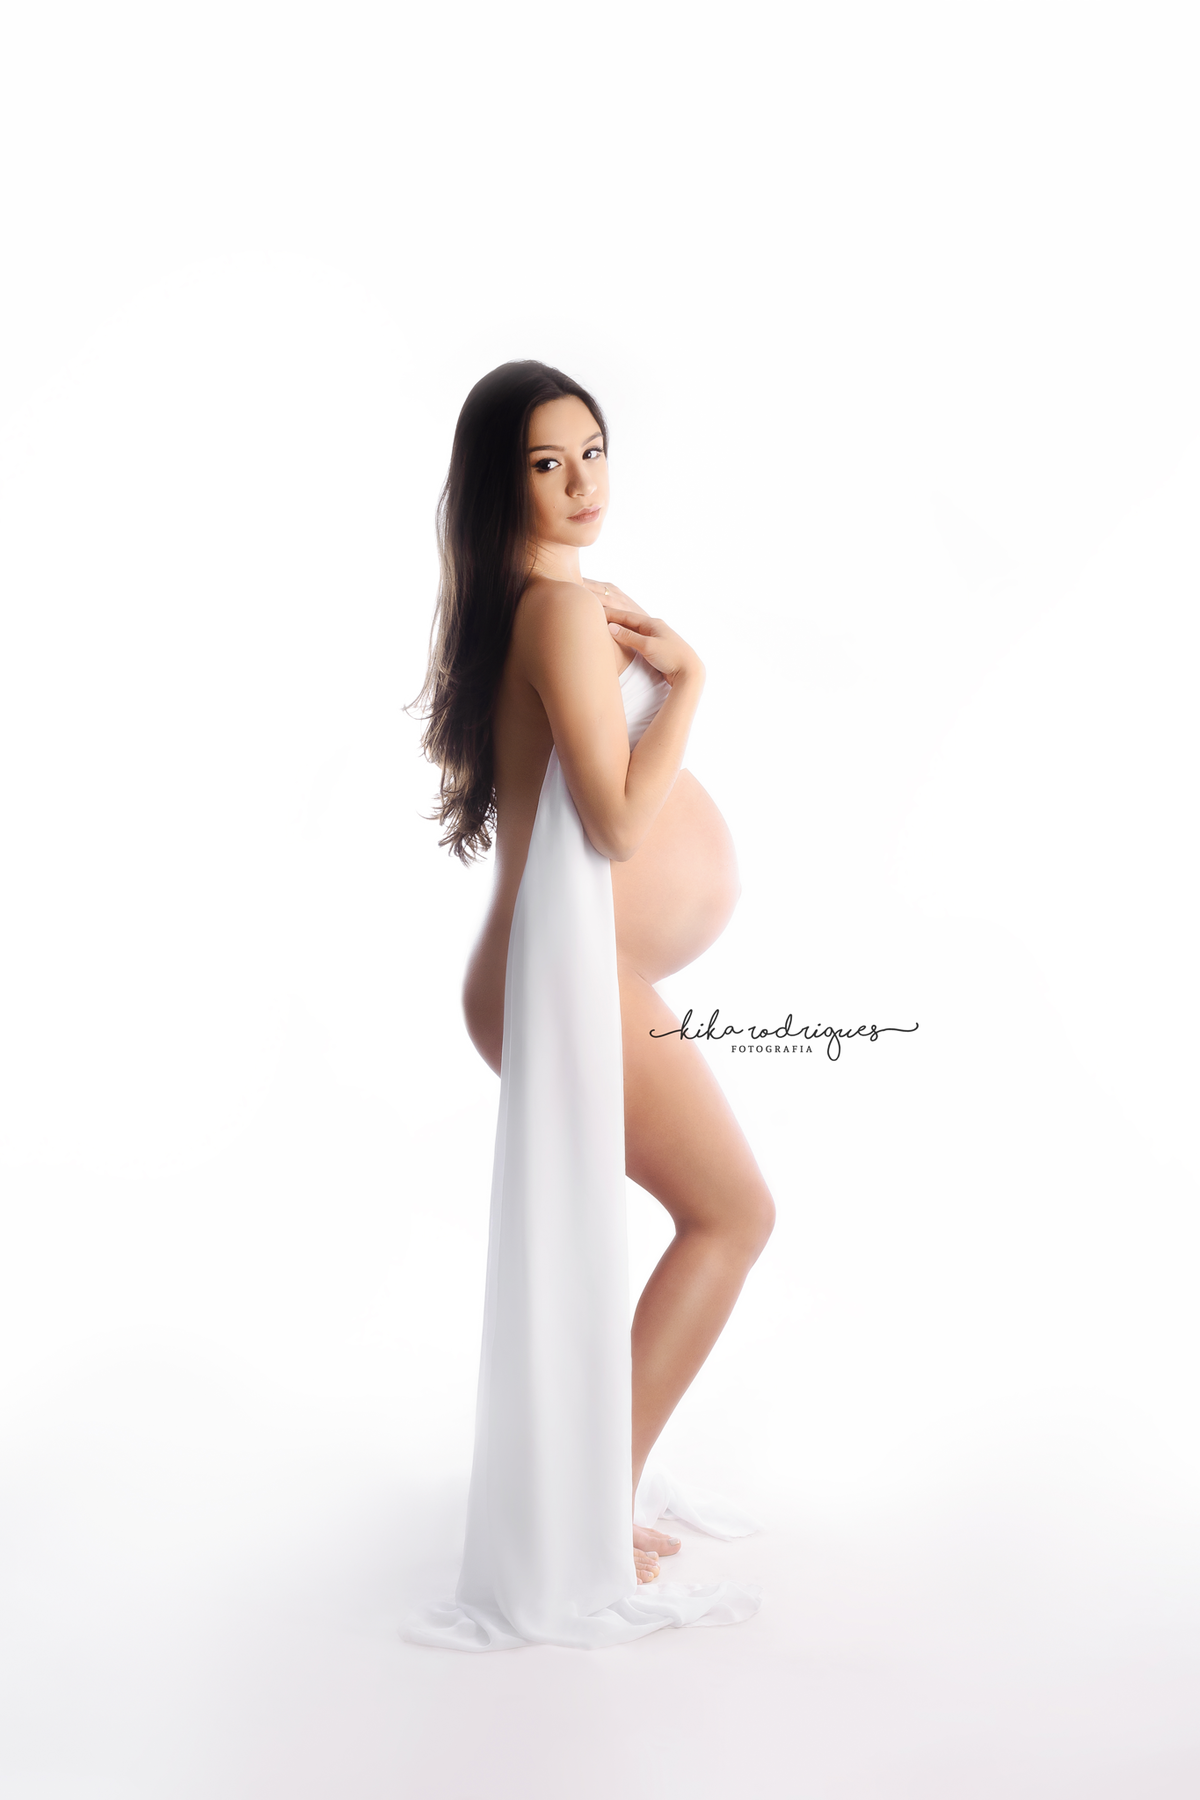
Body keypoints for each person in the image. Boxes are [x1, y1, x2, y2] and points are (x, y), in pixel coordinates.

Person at [407, 361, 775, 1649]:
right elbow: (614, 824)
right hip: (566, 976)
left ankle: (587, 1496)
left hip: (569, 971)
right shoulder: (558, 613)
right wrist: (691, 686)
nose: (581, 483)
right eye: (546, 464)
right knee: (732, 1213)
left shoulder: (553, 604)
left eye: (594, 451)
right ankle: (588, 1513)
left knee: (722, 1212)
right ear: (497, 486)